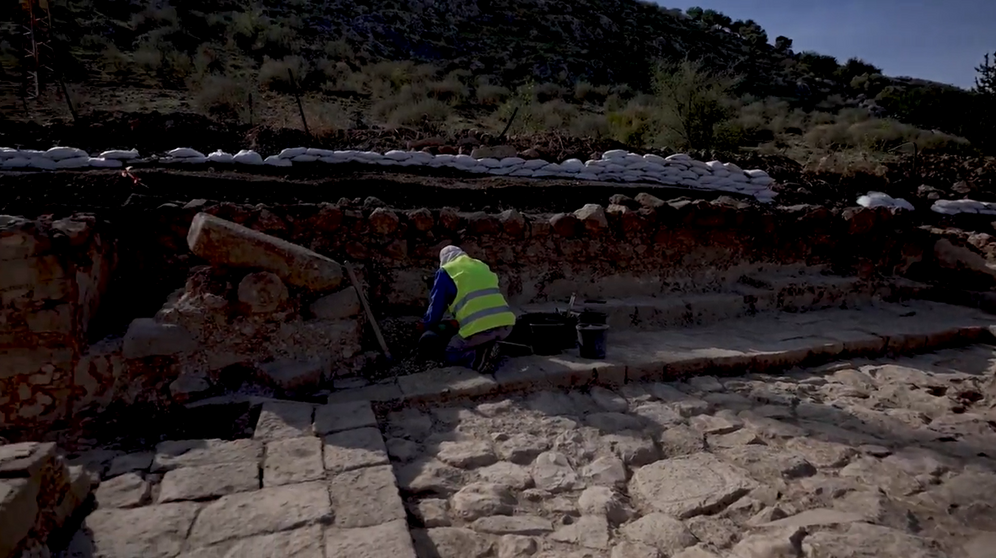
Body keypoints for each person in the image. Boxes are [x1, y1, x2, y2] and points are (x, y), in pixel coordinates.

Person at [418, 245, 516, 372]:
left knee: (451, 353)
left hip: (480, 329)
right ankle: (493, 346)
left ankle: (477, 358)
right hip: (506, 326)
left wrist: (426, 325)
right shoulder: (481, 266)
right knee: (483, 335)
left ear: (444, 260)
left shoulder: (445, 272)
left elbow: (436, 308)